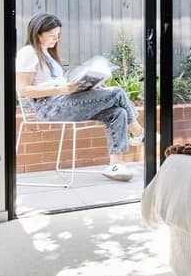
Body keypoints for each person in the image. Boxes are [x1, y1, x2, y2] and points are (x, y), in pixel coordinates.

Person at [16, 13, 143, 181]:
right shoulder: (28, 52)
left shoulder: (46, 53)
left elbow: (54, 84)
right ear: (37, 33)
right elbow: (23, 89)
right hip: (49, 107)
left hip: (62, 102)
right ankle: (138, 133)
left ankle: (115, 164)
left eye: (58, 35)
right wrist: (63, 89)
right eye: (52, 35)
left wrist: (88, 87)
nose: (56, 39)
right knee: (117, 93)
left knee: (117, 112)